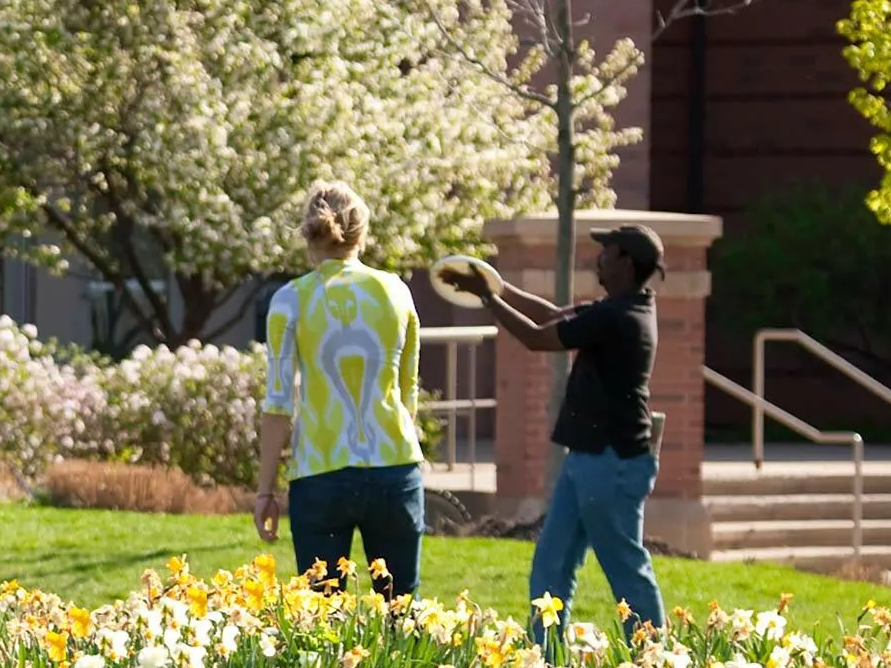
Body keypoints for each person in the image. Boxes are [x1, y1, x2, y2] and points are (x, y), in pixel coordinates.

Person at [447, 224, 666, 636]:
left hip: (613, 462)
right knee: (552, 563)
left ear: (627, 263)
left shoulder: (621, 316)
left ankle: (652, 665)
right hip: (586, 458)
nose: (597, 258)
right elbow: (550, 315)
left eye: (607, 252)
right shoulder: (620, 306)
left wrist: (487, 298)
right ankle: (544, 663)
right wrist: (498, 286)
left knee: (624, 566)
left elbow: (536, 337)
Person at [252, 180, 428, 598]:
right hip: (394, 468)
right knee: (401, 613)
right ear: (362, 232)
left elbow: (279, 404)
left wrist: (265, 491)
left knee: (321, 621)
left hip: (320, 474)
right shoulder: (396, 292)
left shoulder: (289, 300)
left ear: (308, 233)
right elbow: (408, 396)